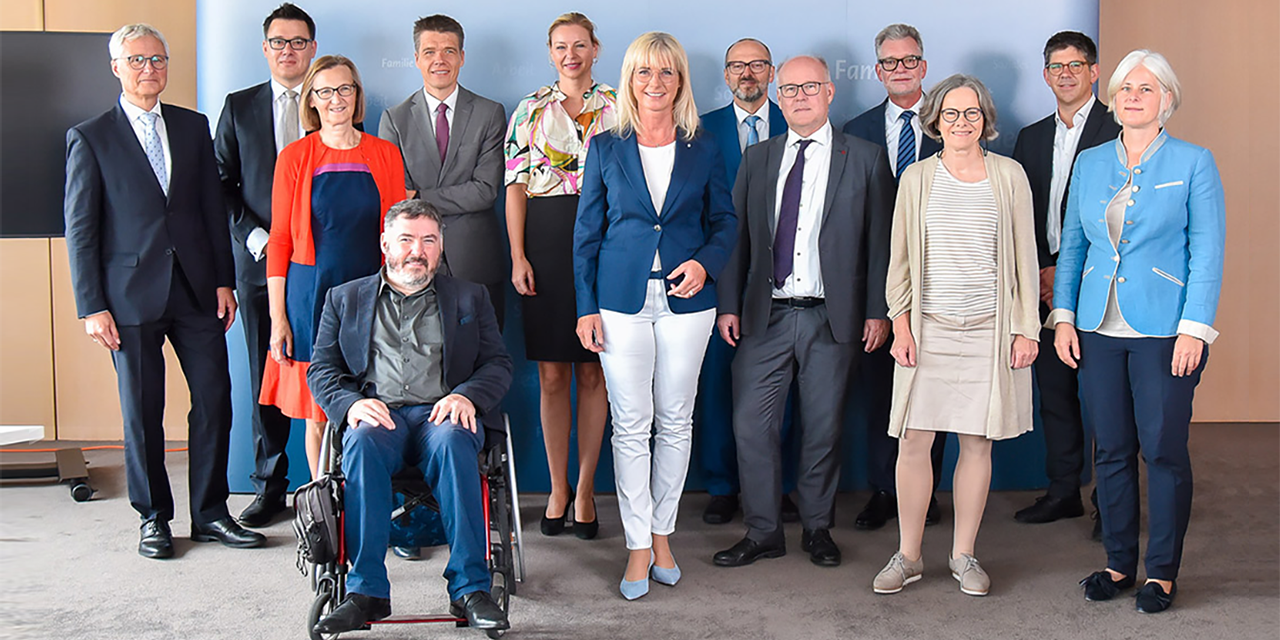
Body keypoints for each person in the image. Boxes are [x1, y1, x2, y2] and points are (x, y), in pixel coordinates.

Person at [64, 23, 265, 558]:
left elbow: (209, 210)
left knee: (215, 400)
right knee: (142, 409)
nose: (149, 69)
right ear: (116, 67)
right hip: (127, 297)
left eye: (157, 59)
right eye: (136, 60)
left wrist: (224, 280)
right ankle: (153, 517)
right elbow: (81, 228)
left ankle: (211, 513)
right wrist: (92, 306)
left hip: (198, 290)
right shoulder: (91, 137)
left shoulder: (192, 126)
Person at [1051, 50, 1224, 614]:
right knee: (1113, 451)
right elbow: (1073, 247)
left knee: (1164, 451)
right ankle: (1119, 563)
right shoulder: (1092, 161)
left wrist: (1194, 329)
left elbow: (1208, 253)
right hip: (1098, 327)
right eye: (1126, 87)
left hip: (1165, 331)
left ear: (1166, 100)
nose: (1132, 96)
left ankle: (1162, 573)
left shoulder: (1195, 162)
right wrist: (1064, 318)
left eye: (1145, 89)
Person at [712, 55, 893, 569]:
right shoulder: (759, 158)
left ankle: (817, 528)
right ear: (777, 93)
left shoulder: (865, 158)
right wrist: (728, 304)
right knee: (752, 426)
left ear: (830, 92)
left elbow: (881, 243)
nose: (798, 97)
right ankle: (764, 531)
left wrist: (878, 311)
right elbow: (737, 239)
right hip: (763, 315)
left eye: (809, 87)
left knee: (823, 427)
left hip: (832, 318)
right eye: (788, 89)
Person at [573, 31, 736, 600]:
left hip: (687, 302)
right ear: (630, 80)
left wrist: (706, 266)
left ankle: (663, 534)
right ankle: (637, 545)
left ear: (680, 81)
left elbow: (726, 224)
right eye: (645, 72)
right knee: (631, 424)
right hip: (620, 301)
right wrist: (585, 307)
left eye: (667, 73)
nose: (656, 83)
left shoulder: (705, 146)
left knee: (676, 420)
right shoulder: (606, 146)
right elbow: (586, 234)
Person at [307, 200, 512, 634]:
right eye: (406, 239)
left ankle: (471, 590)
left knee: (457, 437)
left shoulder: (471, 296)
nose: (416, 251)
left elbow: (498, 365)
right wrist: (348, 405)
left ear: (440, 248)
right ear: (385, 244)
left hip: (442, 415)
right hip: (380, 418)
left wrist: (468, 396)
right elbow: (321, 369)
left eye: (428, 241)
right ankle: (364, 593)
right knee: (359, 441)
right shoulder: (343, 299)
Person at [873, 74, 1039, 597]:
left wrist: (1025, 328)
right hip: (927, 332)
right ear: (935, 121)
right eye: (951, 114)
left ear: (985, 120)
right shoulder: (917, 178)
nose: (961, 122)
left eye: (971, 114)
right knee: (914, 441)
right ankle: (909, 555)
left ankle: (964, 555)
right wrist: (900, 323)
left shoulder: (1009, 175)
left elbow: (1026, 263)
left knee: (976, 443)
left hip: (989, 334)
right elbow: (899, 261)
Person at [258, 55, 406, 482]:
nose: (336, 98)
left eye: (345, 89)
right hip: (311, 296)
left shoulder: (385, 154)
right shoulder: (294, 157)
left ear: (357, 96)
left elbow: (396, 233)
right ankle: (325, 507)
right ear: (312, 100)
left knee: (379, 406)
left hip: (373, 295)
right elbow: (281, 240)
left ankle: (376, 504)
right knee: (319, 414)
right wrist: (277, 317)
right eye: (325, 91)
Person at [503, 12, 615, 541]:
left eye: (579, 44)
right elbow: (516, 187)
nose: (570, 54)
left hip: (606, 240)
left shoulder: (621, 105)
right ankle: (557, 487)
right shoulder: (529, 109)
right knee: (552, 373)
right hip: (544, 242)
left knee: (594, 371)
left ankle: (588, 487)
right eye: (560, 46)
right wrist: (518, 255)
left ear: (595, 48)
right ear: (550, 53)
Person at [213, 2, 319, 528]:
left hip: (320, 266)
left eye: (298, 42)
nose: (288, 51)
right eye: (279, 42)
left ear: (312, 49)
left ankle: (328, 486)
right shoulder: (238, 106)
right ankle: (270, 486)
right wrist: (257, 238)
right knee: (267, 374)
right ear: (265, 49)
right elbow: (221, 184)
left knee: (331, 373)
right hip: (258, 265)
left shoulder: (333, 100)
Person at [1011, 31, 1120, 534]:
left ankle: (1110, 502)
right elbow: (1019, 214)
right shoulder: (1030, 138)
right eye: (1056, 66)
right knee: (1054, 394)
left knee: (1104, 400)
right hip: (1043, 283)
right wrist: (1041, 269)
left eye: (1076, 65)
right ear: (1046, 74)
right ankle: (1063, 492)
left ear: (1094, 72)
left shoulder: (1120, 129)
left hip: (1102, 286)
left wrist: (1070, 272)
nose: (1066, 74)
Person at [841, 23, 945, 531]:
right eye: (890, 62)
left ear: (923, 67)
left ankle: (929, 490)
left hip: (943, 281)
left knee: (938, 388)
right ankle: (886, 489)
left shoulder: (952, 124)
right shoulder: (855, 130)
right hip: (877, 284)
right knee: (883, 392)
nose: (899, 70)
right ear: (877, 70)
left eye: (909, 61)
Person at [696, 37, 800, 527]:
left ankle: (777, 486)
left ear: (772, 71)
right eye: (738, 66)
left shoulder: (798, 120)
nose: (748, 74)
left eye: (757, 65)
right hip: (717, 275)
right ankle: (721, 485)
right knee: (718, 384)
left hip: (785, 277)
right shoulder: (700, 129)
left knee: (783, 389)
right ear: (726, 74)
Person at [379, 14, 507, 326]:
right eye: (430, 52)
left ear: (462, 57)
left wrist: (421, 195)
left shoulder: (490, 113)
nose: (440, 60)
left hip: (476, 260)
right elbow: (399, 198)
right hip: (414, 261)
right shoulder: (394, 119)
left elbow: (485, 191)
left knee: (483, 360)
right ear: (416, 59)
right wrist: (418, 198)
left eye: (449, 51)